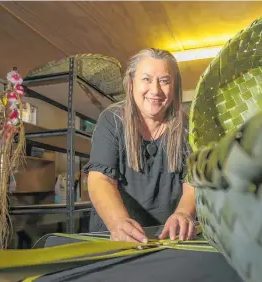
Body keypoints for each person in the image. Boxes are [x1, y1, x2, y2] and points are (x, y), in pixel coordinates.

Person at [84, 48, 196, 243]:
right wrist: (118, 222)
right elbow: (100, 179)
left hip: (167, 238)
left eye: (164, 81)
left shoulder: (187, 127)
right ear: (131, 83)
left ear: (175, 87)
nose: (155, 90)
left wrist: (184, 214)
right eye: (146, 79)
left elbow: (193, 182)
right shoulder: (112, 121)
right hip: (116, 237)